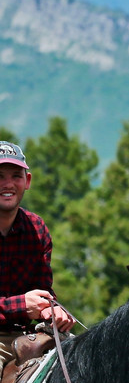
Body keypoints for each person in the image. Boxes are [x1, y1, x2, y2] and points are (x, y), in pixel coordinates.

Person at [0, 141, 75, 370]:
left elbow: (43, 289)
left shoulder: (36, 227)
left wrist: (51, 309)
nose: (8, 184)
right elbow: (26, 303)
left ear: (27, 181)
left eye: (16, 175)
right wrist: (22, 305)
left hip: (28, 337)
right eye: (0, 176)